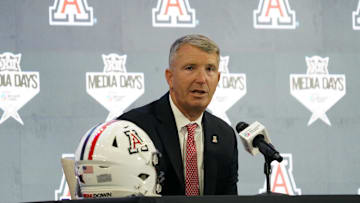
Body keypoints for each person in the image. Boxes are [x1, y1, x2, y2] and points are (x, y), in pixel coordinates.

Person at [117, 34, 238, 196]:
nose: (202, 79)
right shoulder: (133, 128)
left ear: (218, 78)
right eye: (190, 68)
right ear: (170, 77)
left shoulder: (225, 136)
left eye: (210, 69)